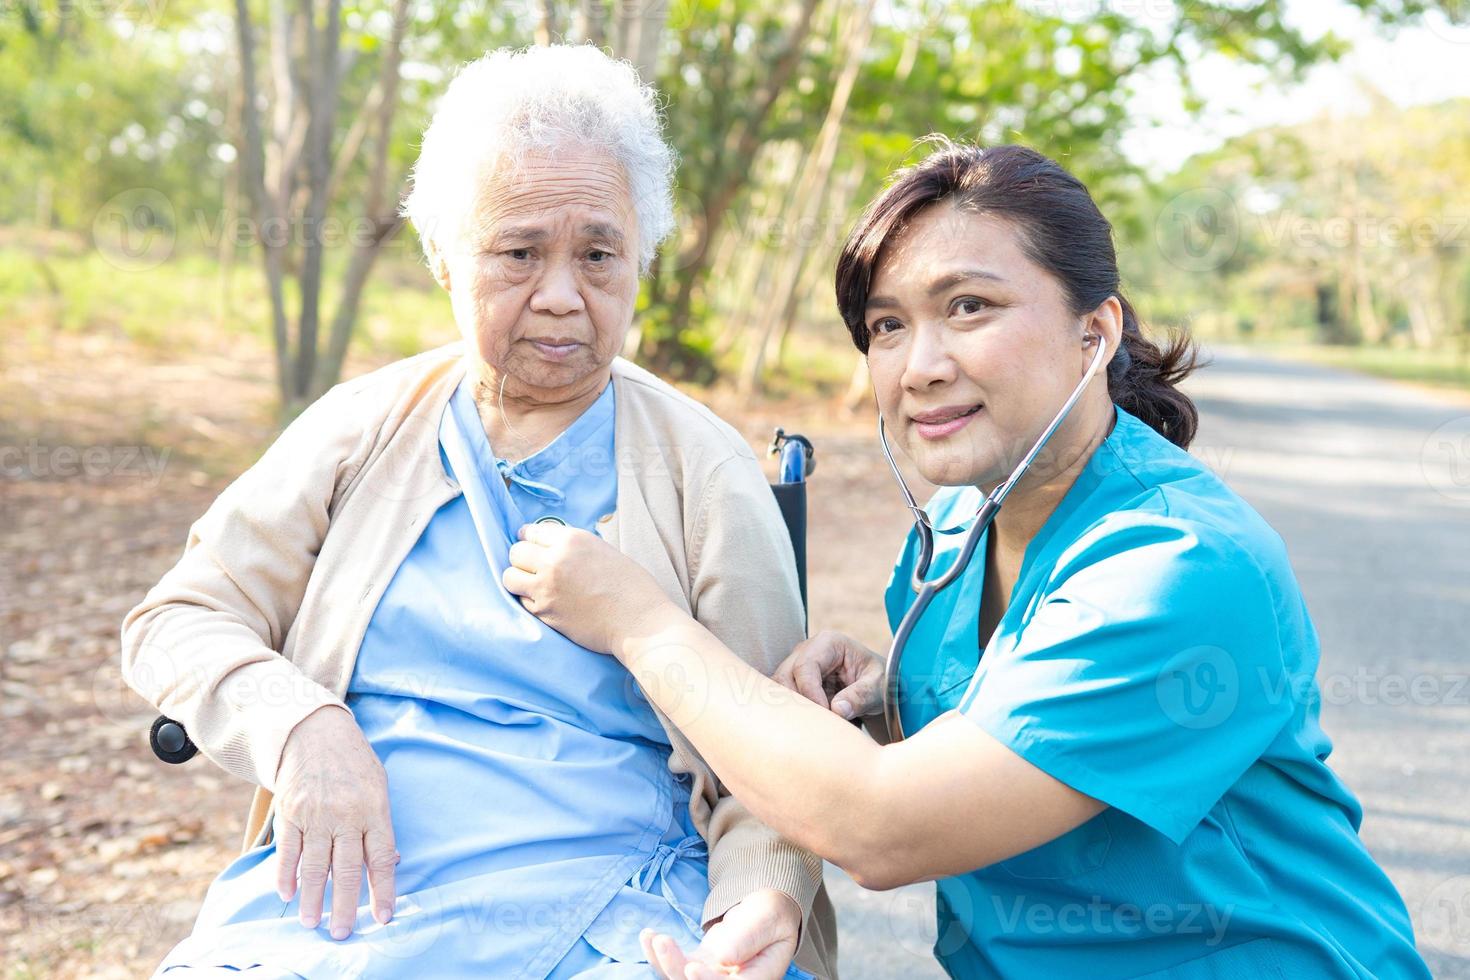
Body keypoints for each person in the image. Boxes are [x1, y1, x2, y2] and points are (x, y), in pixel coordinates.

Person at [504, 140, 1433, 979]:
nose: (921, 365)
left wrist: (638, 621)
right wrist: (889, 695)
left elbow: (881, 827)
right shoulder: (956, 527)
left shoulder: (1178, 565)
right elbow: (1001, 747)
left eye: (969, 307)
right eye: (888, 326)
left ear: (1093, 331)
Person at [121, 44, 834, 980]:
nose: (562, 296)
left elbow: (774, 752)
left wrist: (752, 907)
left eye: (598, 253)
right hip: (345, 898)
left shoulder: (701, 466)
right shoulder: (361, 428)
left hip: (616, 904)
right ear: (445, 262)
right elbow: (175, 621)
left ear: (639, 259)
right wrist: (300, 726)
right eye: (519, 252)